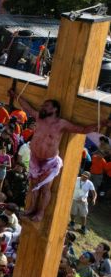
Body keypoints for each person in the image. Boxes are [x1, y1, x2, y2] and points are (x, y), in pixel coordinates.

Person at [10, 92, 108, 222]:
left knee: (45, 188)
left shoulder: (61, 124)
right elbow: (27, 108)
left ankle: (40, 213)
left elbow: (83, 129)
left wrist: (102, 123)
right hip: (35, 158)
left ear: (55, 109)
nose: (43, 107)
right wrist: (16, 95)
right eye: (44, 105)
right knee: (33, 185)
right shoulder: (39, 117)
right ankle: (31, 209)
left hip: (50, 162)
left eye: (47, 106)